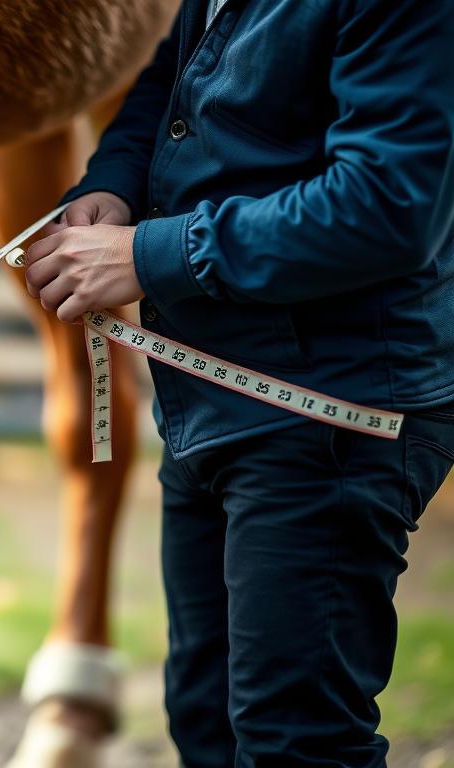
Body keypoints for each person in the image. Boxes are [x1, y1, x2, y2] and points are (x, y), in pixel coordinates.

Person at [23, 0, 454, 765]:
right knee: (207, 721)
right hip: (208, 396)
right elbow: (170, 80)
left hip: (329, 413)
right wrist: (113, 183)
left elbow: (387, 207)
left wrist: (147, 255)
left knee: (297, 741)